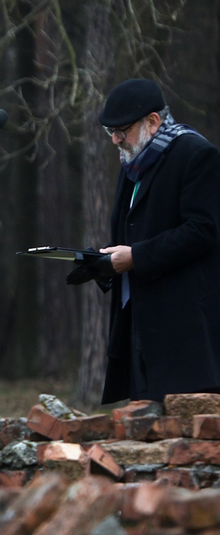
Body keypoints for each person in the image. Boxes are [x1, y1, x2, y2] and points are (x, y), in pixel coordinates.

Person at [92, 78, 220, 403]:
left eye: (122, 130)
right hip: (140, 324)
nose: (115, 140)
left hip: (184, 329)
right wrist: (102, 262)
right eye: (110, 131)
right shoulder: (134, 162)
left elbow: (203, 231)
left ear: (153, 121)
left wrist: (136, 256)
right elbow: (130, 229)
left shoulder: (196, 154)